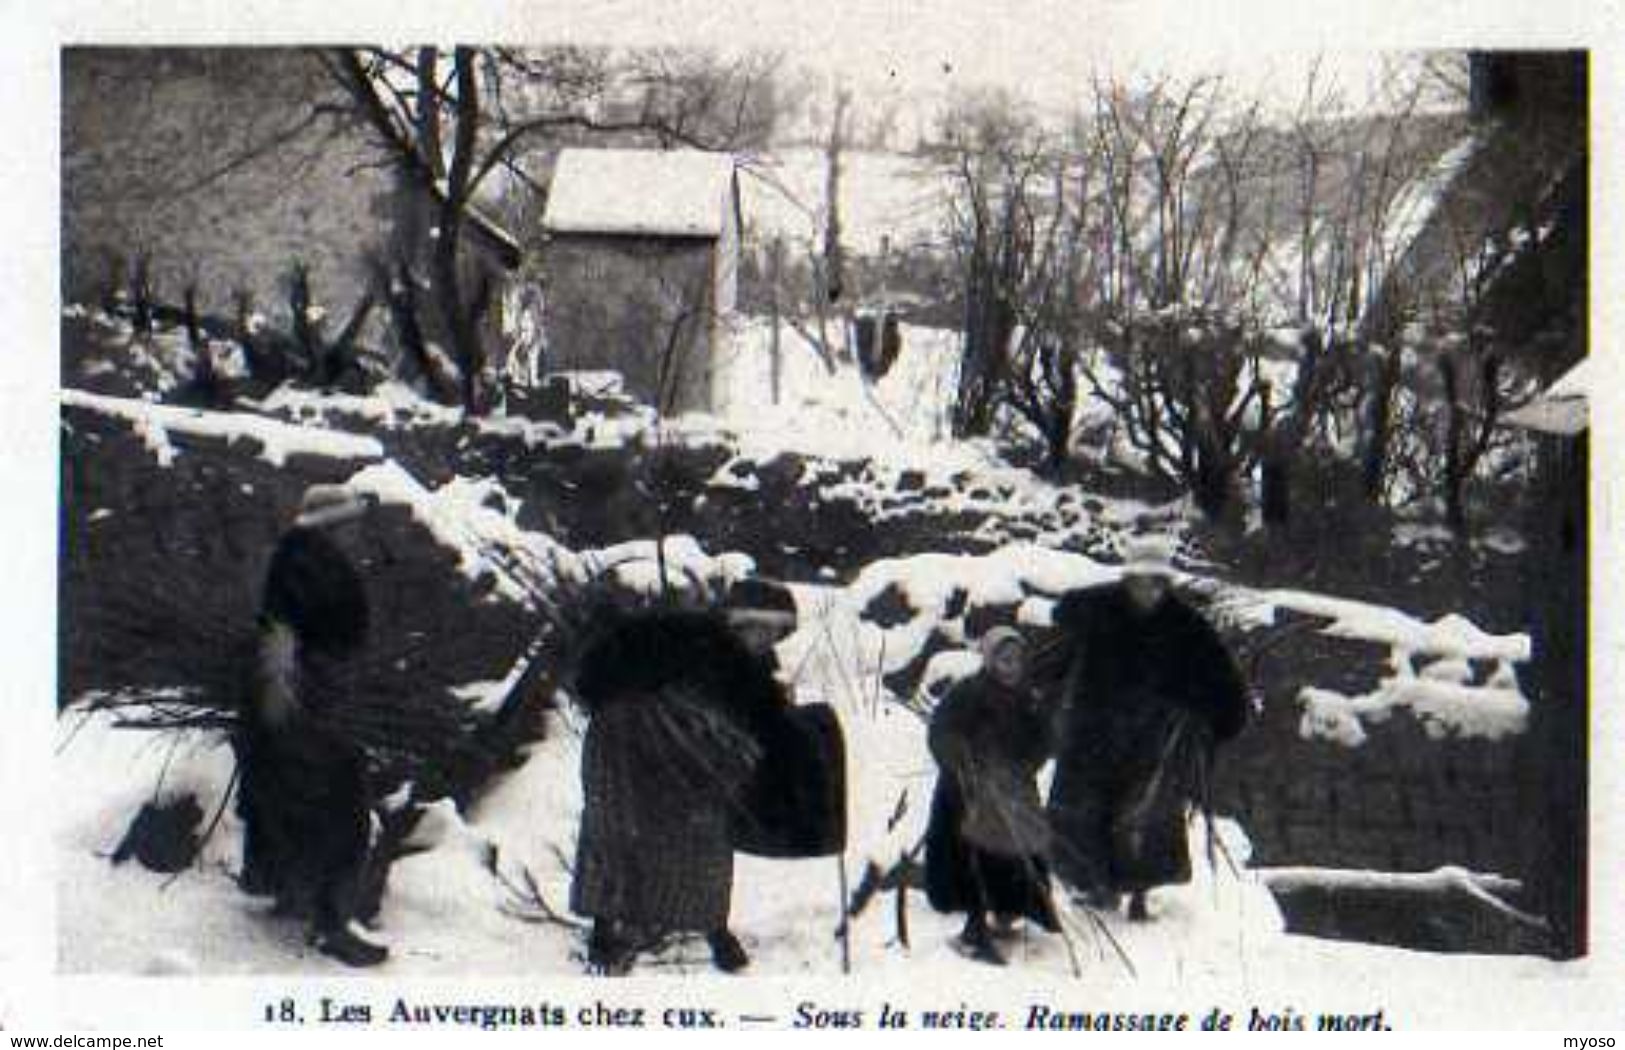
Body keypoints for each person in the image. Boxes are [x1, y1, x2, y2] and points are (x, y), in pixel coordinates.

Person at [569, 579, 799, 976]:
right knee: (616, 829)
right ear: (740, 623)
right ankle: (606, 930)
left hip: (678, 746)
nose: (769, 639)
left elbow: (749, 715)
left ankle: (711, 927)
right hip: (623, 732)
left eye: (777, 632)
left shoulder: (748, 659)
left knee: (705, 832)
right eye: (763, 629)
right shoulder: (694, 640)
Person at [1041, 534, 1249, 922]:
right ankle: (1092, 886)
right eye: (1140, 580)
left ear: (1166, 583)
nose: (1148, 589)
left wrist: (1222, 718)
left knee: (1145, 812)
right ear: (1128, 579)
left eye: (1156, 581)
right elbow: (1064, 613)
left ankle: (1139, 891)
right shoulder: (1101, 608)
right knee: (1084, 809)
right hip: (1094, 729)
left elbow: (1221, 677)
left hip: (1153, 734)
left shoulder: (1186, 625)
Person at [234, 483, 390, 967]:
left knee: (299, 799)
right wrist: (283, 701)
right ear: (333, 526)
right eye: (352, 525)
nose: (359, 534)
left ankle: (292, 892)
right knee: (341, 807)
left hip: (315, 692)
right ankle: (331, 923)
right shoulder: (305, 563)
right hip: (307, 696)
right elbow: (279, 634)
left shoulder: (304, 557)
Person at [924, 628, 1061, 965]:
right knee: (973, 854)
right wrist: (963, 760)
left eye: (1016, 659)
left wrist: (1025, 763)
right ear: (989, 659)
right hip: (967, 790)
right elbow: (941, 732)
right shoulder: (967, 693)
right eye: (1004, 659)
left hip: (1014, 787)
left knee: (1018, 849)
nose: (1011, 666)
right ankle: (974, 926)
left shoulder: (1029, 696)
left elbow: (1044, 738)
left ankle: (1007, 910)